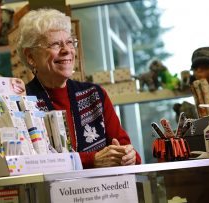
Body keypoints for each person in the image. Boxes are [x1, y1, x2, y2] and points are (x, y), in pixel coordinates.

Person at [16, 8, 141, 169]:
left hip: (106, 191)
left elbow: (127, 149)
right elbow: (32, 162)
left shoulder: (94, 95)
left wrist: (128, 156)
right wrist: (91, 160)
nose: (67, 50)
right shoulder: (22, 102)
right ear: (30, 57)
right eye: (55, 44)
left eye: (69, 42)